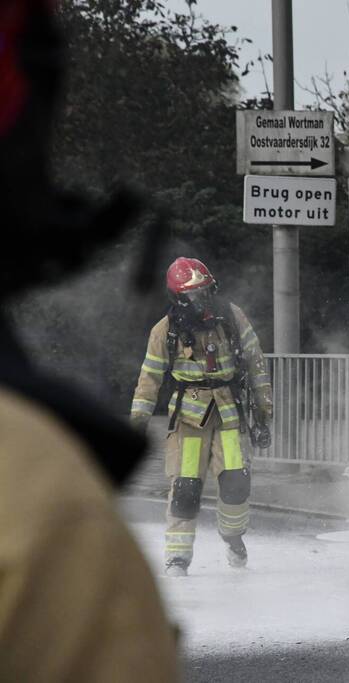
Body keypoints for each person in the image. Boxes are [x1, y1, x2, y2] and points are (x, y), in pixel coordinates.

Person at [0, 0, 179, 678]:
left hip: (209, 416)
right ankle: (186, 547)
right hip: (186, 421)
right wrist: (141, 409)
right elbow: (154, 370)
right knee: (185, 493)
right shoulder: (38, 509)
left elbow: (242, 364)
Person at [131, 257, 273, 577]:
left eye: (205, 291)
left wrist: (264, 414)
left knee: (236, 482)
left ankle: (233, 537)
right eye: (194, 294)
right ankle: (177, 558)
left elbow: (256, 364)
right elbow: (148, 380)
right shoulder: (165, 331)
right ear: (179, 297)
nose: (202, 300)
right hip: (189, 415)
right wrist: (137, 424)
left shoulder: (232, 317)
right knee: (185, 487)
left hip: (228, 411)